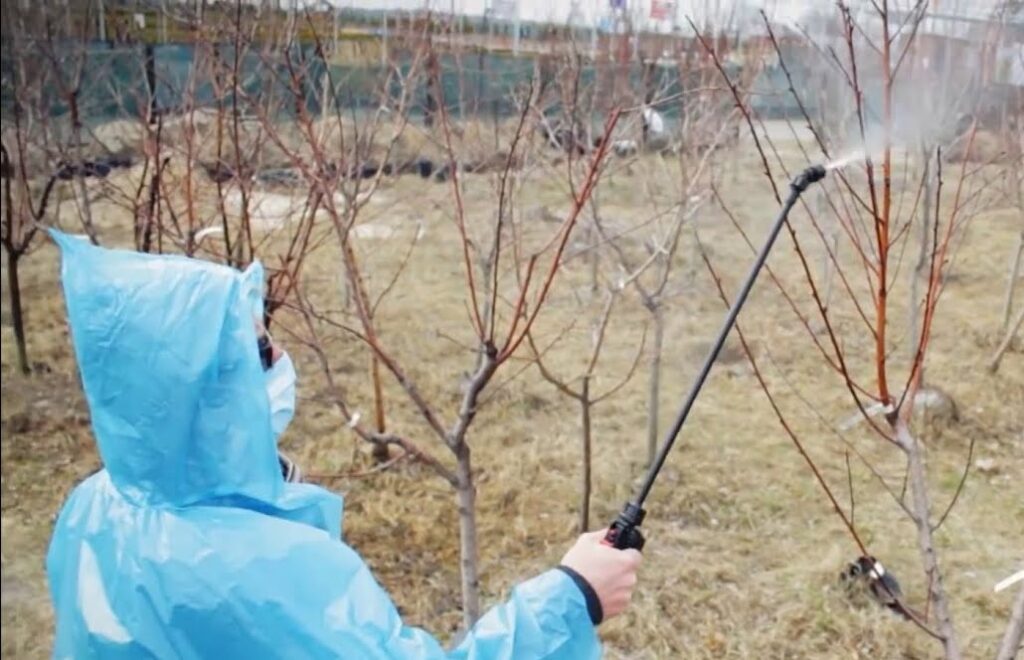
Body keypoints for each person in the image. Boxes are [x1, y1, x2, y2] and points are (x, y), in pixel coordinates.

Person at [45, 231, 643, 659]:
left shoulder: (92, 506)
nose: (279, 358)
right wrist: (573, 596)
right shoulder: (256, 573)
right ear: (199, 391)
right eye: (254, 353)